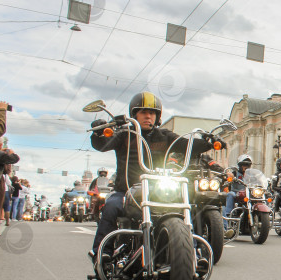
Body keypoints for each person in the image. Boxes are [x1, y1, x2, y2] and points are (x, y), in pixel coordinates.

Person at [88, 92, 222, 263]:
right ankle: (102, 254)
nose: (147, 116)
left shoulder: (165, 136)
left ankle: (193, 253)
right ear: (134, 114)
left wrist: (209, 142)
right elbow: (102, 144)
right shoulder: (124, 134)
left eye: (152, 113)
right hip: (127, 191)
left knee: (188, 206)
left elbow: (186, 145)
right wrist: (99, 132)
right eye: (143, 112)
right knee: (111, 206)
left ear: (157, 116)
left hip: (158, 191)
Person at [223, 154, 253, 236]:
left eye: (248, 165)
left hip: (247, 194)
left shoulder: (251, 175)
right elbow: (229, 176)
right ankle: (228, 215)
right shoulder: (235, 172)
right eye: (244, 164)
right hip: (236, 193)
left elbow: (257, 181)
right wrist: (230, 176)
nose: (246, 166)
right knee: (230, 194)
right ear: (240, 165)